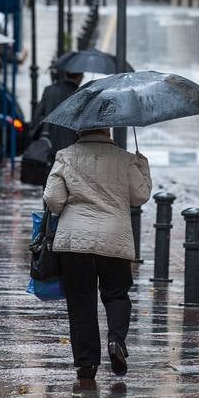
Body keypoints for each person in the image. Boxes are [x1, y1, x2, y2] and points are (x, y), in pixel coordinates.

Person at [44, 128, 152, 381]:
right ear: (108, 130)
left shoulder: (66, 156)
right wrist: (142, 164)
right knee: (116, 294)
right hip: (114, 238)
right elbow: (140, 196)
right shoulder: (125, 158)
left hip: (75, 240)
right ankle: (116, 341)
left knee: (80, 301)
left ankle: (86, 364)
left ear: (80, 129)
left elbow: (53, 199)